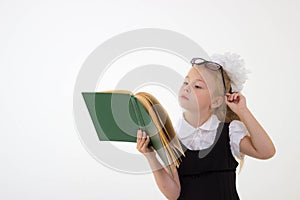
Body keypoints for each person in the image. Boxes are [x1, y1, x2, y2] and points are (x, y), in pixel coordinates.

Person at [136, 52, 276, 200]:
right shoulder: (171, 137)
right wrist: (150, 156)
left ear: (216, 101)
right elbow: (173, 193)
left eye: (197, 86)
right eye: (186, 82)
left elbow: (266, 151)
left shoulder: (229, 132)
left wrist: (243, 111)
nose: (187, 88)